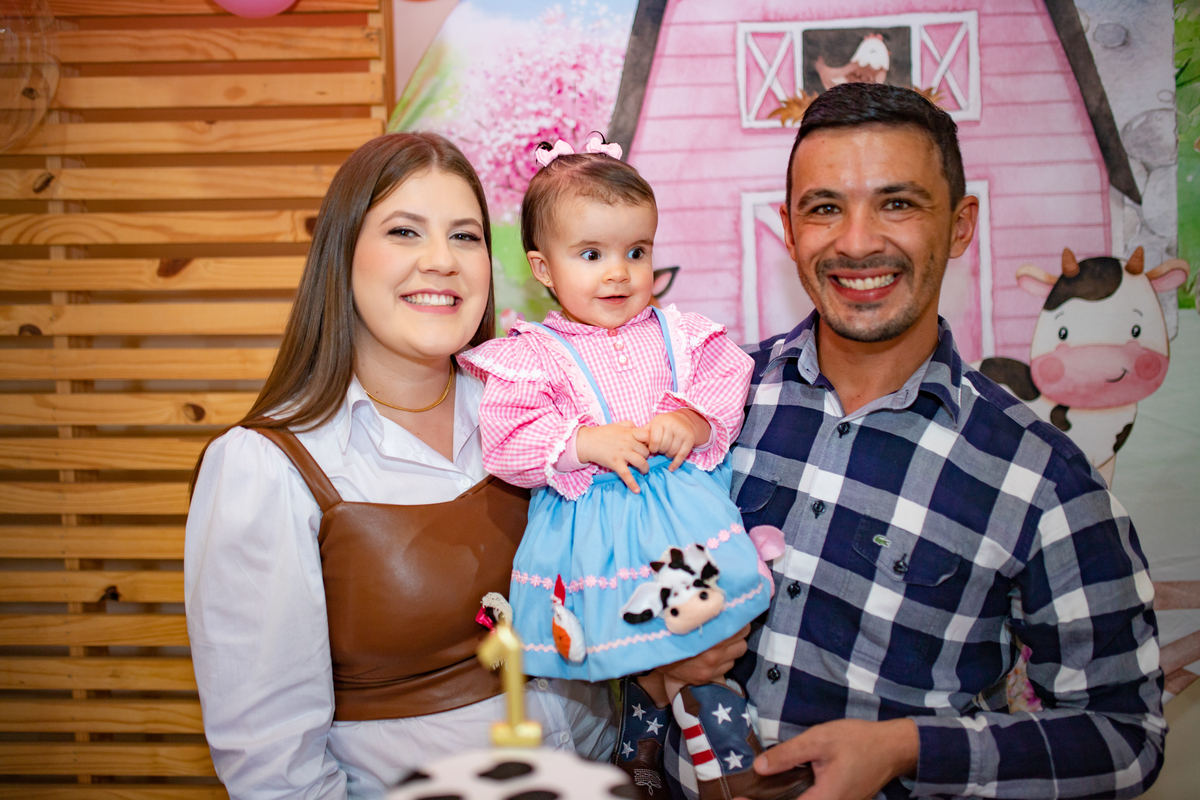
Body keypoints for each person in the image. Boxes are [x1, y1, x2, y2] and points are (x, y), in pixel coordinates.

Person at [665, 82, 1166, 800]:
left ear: (960, 226)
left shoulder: (1045, 478)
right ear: (789, 229)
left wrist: (909, 750)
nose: (857, 242)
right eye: (824, 208)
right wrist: (649, 665)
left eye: (897, 204)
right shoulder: (707, 406)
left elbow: (1124, 736)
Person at [185, 132, 615, 800]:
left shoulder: (552, 418)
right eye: (404, 231)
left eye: (465, 236)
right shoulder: (265, 466)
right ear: (343, 254)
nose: (441, 261)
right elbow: (274, 771)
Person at [457, 133, 812, 800]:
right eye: (591, 255)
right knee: (637, 648)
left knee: (704, 641)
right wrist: (583, 443)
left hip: (680, 522)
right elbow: (507, 443)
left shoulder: (679, 334)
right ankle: (654, 748)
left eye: (636, 252)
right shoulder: (536, 354)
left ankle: (714, 759)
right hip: (596, 537)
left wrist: (693, 421)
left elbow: (726, 380)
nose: (619, 273)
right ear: (543, 268)